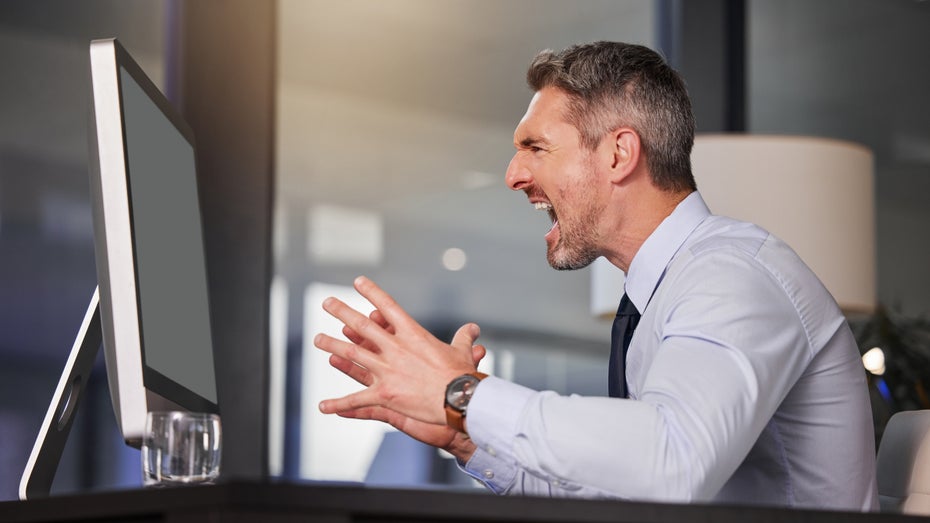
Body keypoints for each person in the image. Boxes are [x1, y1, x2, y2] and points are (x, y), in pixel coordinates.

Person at [313, 41, 878, 510]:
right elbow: (626, 489)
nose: (514, 175)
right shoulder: (658, 297)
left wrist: (464, 394)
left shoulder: (733, 275)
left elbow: (673, 463)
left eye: (535, 147)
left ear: (617, 155)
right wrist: (466, 436)